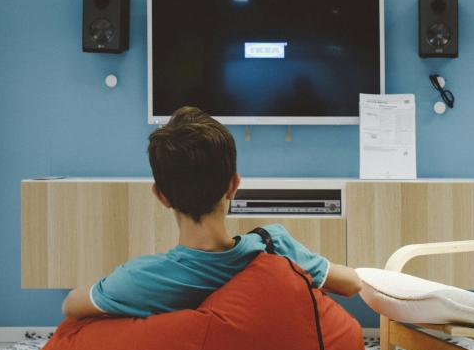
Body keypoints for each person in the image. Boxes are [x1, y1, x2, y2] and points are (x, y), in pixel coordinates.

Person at [62, 107, 362, 320]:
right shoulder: (275, 246)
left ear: (161, 195)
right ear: (233, 185)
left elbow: (72, 305)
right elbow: (351, 284)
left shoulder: (140, 278)